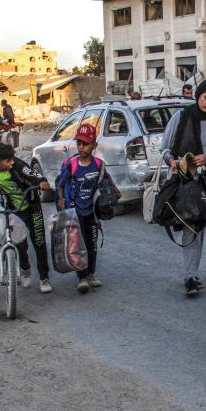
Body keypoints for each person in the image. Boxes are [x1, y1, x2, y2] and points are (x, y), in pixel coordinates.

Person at [159, 79, 206, 296]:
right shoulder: (180, 118)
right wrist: (172, 162)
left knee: (196, 227)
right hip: (182, 181)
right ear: (198, 96)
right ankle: (191, 275)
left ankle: (192, 274)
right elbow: (165, 150)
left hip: (205, 184)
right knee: (190, 226)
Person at [0, 142, 53, 293]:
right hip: (13, 211)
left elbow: (35, 176)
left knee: (39, 241)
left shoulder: (19, 166)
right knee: (19, 242)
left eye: (12, 159)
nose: (12, 162)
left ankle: (44, 278)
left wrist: (42, 182)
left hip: (31, 207)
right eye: (8, 161)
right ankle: (25, 269)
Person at [56, 123, 121, 294]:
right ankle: (81, 277)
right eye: (79, 143)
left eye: (86, 143)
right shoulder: (71, 164)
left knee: (92, 243)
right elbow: (60, 184)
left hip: (91, 211)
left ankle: (91, 274)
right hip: (75, 211)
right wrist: (62, 200)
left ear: (94, 145)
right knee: (78, 244)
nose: (81, 147)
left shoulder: (99, 164)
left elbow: (106, 179)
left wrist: (115, 191)